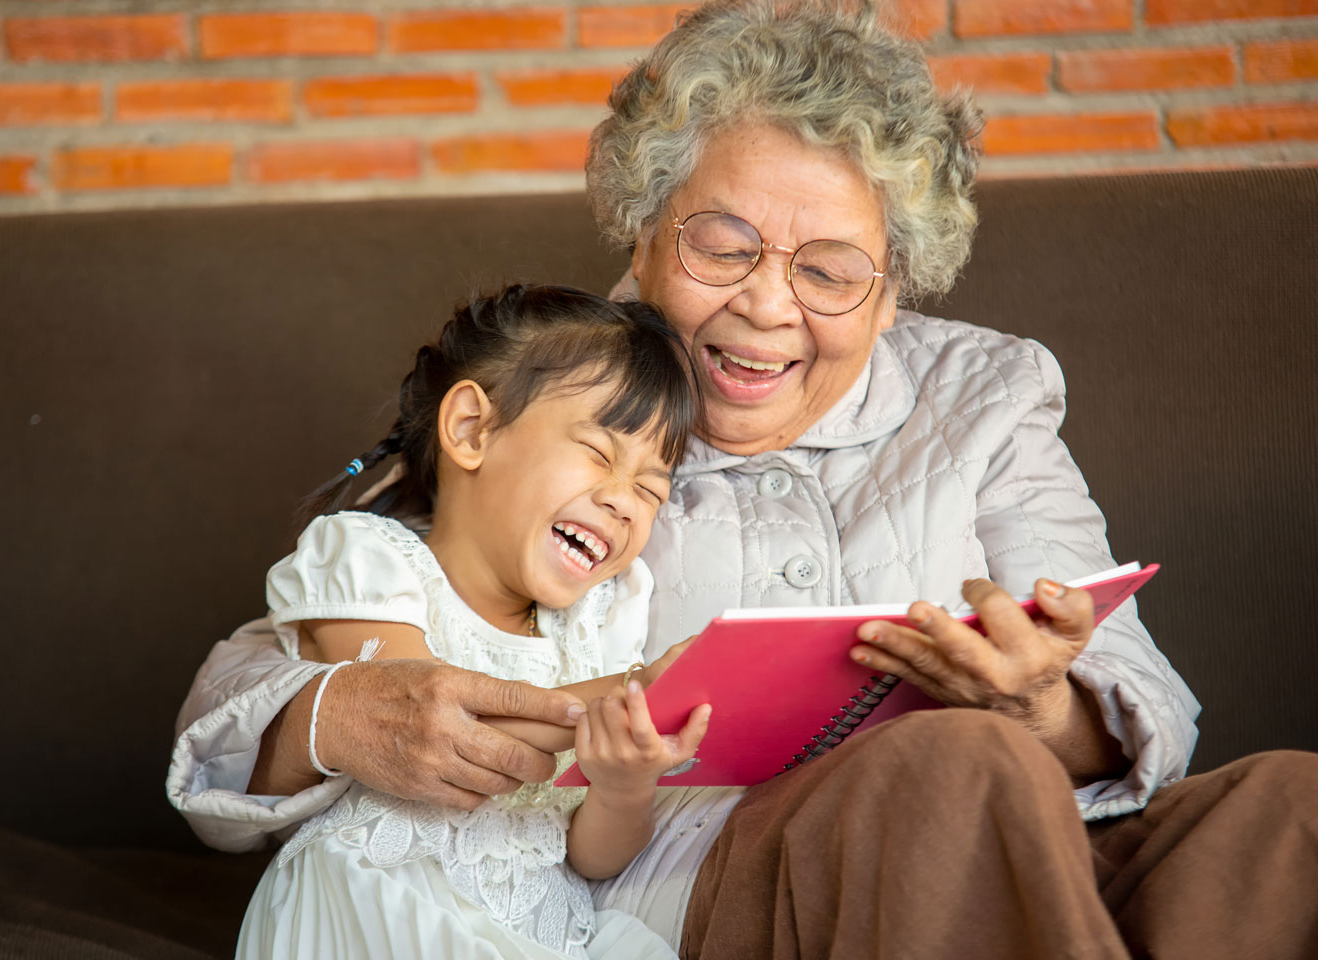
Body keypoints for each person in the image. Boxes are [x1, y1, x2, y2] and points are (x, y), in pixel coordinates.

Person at [169, 2, 1318, 957]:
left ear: (895, 286)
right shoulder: (575, 396)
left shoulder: (986, 394)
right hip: (732, 883)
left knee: (1286, 810)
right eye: (722, 247)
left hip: (1015, 840)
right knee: (953, 764)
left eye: (829, 272)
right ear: (642, 227)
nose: (767, 307)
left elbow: (1149, 702)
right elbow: (297, 636)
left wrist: (1041, 708)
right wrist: (337, 710)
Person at [236, 284, 710, 959]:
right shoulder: (368, 561)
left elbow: (594, 859)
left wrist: (624, 783)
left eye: (650, 488)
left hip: (539, 933)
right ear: (470, 430)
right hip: (380, 910)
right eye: (600, 455)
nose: (622, 502)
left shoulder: (601, 618)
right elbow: (433, 724)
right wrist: (632, 693)